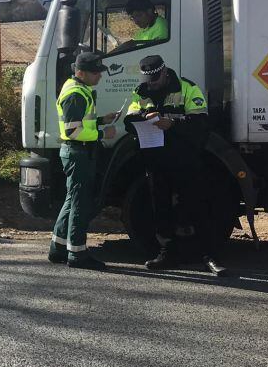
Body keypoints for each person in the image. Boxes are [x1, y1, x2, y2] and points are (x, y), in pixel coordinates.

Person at [123, 55, 228, 276]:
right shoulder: (141, 91)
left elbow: (201, 123)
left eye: (154, 78)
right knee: (160, 208)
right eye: (147, 79)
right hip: (155, 159)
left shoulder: (188, 88)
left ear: (164, 72)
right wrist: (142, 117)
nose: (150, 83)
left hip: (184, 159)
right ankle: (167, 253)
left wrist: (172, 124)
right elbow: (129, 121)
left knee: (196, 206)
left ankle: (210, 256)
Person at [49, 51, 120, 270]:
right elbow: (73, 131)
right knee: (80, 203)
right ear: (81, 72)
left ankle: (58, 248)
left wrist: (100, 120)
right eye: (95, 72)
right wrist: (102, 134)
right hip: (78, 152)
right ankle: (77, 254)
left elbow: (80, 123)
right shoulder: (76, 94)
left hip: (76, 152)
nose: (99, 76)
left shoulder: (79, 90)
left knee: (72, 200)